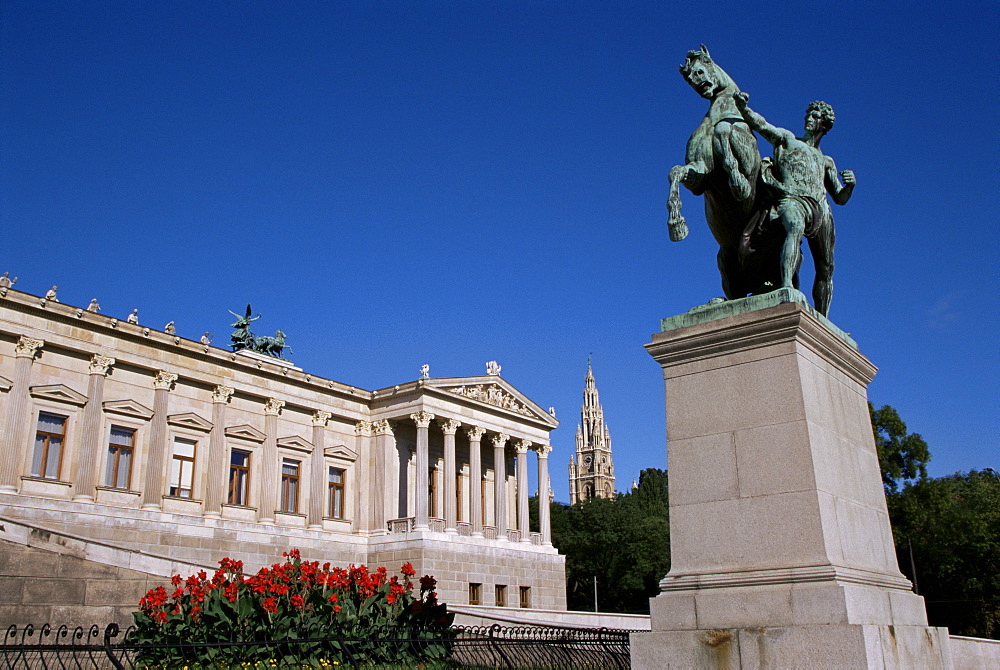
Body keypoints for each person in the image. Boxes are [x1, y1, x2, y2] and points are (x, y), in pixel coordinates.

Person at [733, 92, 855, 316]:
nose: (809, 118)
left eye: (816, 116)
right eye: (809, 114)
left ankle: (822, 317)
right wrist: (743, 108)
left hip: (820, 207)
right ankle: (787, 286)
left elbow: (839, 197)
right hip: (791, 198)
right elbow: (762, 126)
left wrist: (849, 186)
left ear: (824, 125)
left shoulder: (826, 161)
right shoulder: (788, 139)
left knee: (826, 266)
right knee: (794, 227)